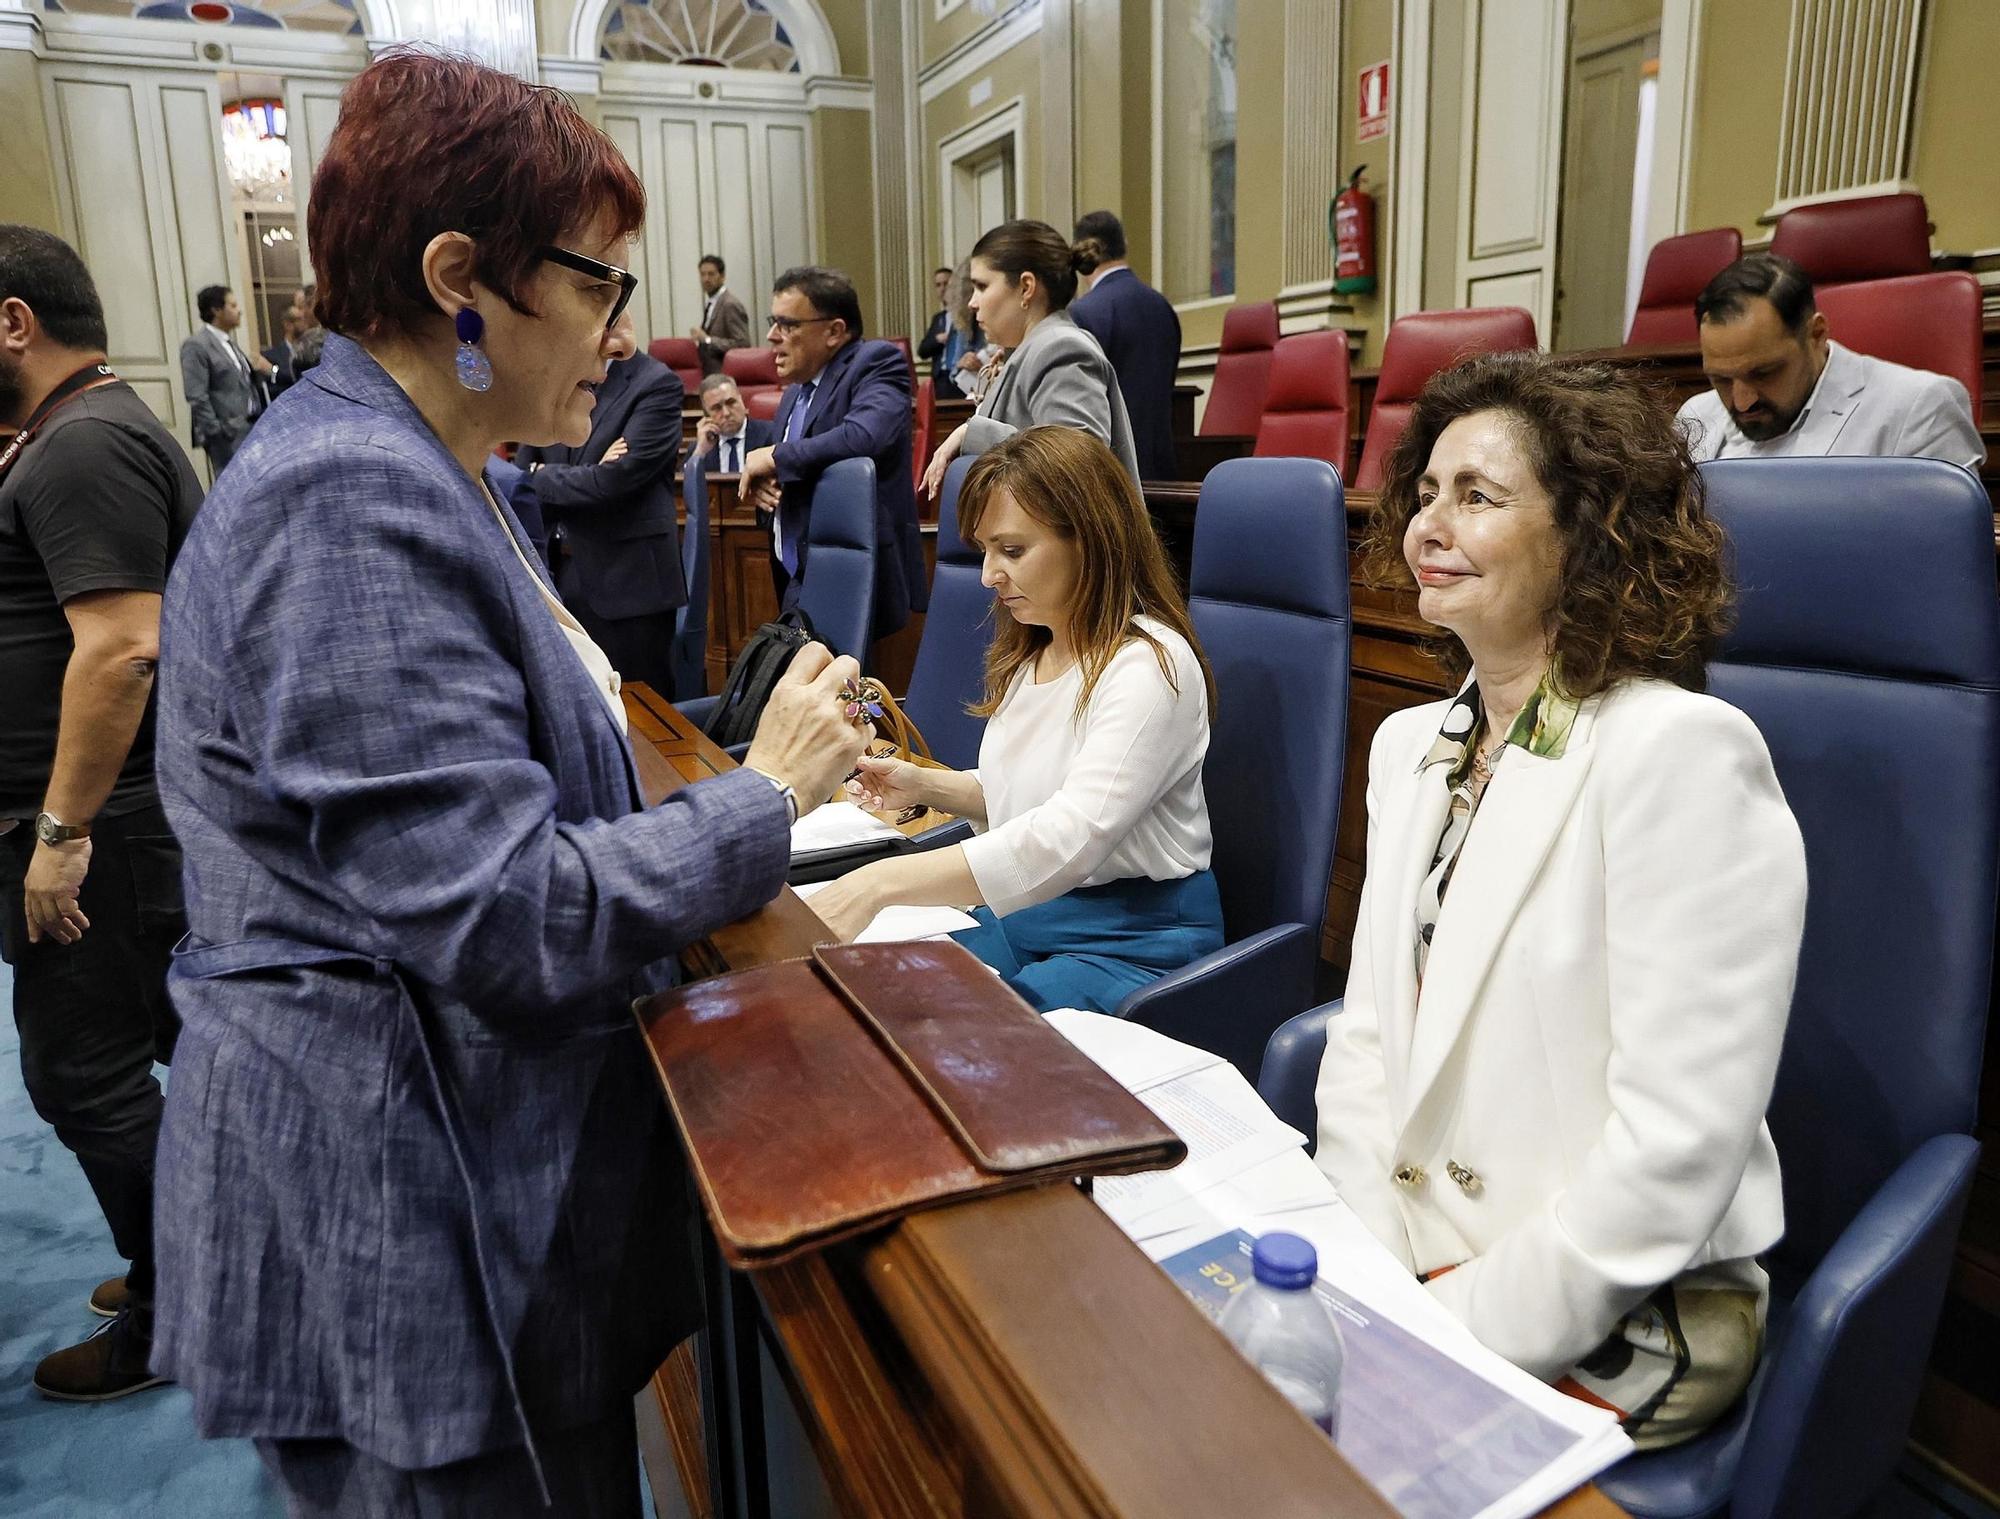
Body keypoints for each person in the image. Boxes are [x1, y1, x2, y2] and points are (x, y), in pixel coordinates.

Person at [149, 52, 871, 1516]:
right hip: (406, 1204)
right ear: (460, 277)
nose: (625, 334)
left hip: (455, 1162)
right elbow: (503, 910)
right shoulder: (346, 492)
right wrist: (767, 793)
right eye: (601, 286)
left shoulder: (437, 460)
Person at [1317, 349, 1806, 1449]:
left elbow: (1671, 1151)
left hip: (1620, 1303)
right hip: (1414, 1248)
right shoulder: (1407, 745)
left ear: (1582, 534)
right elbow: (1365, 1041)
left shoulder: (1677, 752)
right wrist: (1359, 1267)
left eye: (1476, 497)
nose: (1426, 526)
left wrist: (1436, 1331)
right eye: (1425, 493)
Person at [811, 425, 1221, 1015]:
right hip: (1031, 916)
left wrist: (877, 883)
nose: (987, 575)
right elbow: (1029, 798)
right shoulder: (1037, 648)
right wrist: (924, 784)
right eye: (984, 550)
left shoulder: (1151, 664)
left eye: (1012, 550)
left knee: (943, 1042)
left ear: (1091, 540)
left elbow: (1070, 834)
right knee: (872, 998)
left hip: (1133, 941)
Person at [0, 224, 201, 1401]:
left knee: (87, 1075)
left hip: (108, 833)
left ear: (14, 321)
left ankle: (185, 1303)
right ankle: (196, 1259)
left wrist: (59, 837)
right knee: (157, 1050)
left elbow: (124, 650)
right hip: (115, 826)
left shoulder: (83, 445)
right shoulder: (75, 433)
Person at [737, 265, 926, 639]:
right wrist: (768, 489)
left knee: (854, 694)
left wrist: (774, 456)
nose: (772, 337)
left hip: (856, 575)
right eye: (773, 321)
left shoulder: (875, 362)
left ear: (834, 331)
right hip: (798, 574)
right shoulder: (794, 393)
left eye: (788, 324)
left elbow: (864, 437)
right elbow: (796, 467)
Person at [515, 310, 688, 698]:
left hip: (629, 585)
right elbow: (521, 474)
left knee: (645, 722)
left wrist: (547, 474)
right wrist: (585, 471)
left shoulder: (656, 384)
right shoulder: (556, 382)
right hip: (559, 572)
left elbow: (615, 482)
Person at [1678, 251, 1982, 469]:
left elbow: (1940, 549)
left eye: (1764, 373)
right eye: (1721, 379)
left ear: (1816, 334)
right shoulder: (1696, 416)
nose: (1743, 401)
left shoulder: (1920, 408)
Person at [922, 219, 1142, 496]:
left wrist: (970, 434)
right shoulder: (1027, 350)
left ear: (1026, 287)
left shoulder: (1061, 348)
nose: (972, 302)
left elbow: (1076, 468)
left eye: (982, 286)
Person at [1069, 210, 1182, 479]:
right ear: (1125, 244)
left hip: (1114, 471)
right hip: (1163, 466)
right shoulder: (1162, 306)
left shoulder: (1083, 312)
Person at [177, 284, 272, 476]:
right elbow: (196, 396)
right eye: (233, 305)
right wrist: (217, 433)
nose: (239, 311)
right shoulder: (196, 345)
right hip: (227, 436)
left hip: (249, 430)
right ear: (216, 310)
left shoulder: (229, 343)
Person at [691, 371, 777, 474]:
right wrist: (700, 451)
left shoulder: (771, 434)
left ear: (741, 400)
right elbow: (684, 485)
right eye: (716, 408)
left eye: (731, 402)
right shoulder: (700, 448)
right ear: (707, 415)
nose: (726, 413)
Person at [689, 253, 750, 376]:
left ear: (722, 277)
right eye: (703, 274)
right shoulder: (713, 302)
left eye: (711, 274)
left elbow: (743, 345)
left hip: (725, 376)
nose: (706, 279)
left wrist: (707, 340)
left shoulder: (730, 304)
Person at [917, 265, 967, 400]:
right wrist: (937, 340)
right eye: (938, 285)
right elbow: (922, 351)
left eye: (947, 284)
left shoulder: (966, 314)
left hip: (962, 375)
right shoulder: (938, 318)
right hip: (940, 378)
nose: (943, 288)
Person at [261, 305, 306, 398]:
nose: (304, 322)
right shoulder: (271, 356)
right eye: (299, 319)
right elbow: (273, 386)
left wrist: (275, 371)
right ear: (288, 325)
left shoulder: (311, 352)